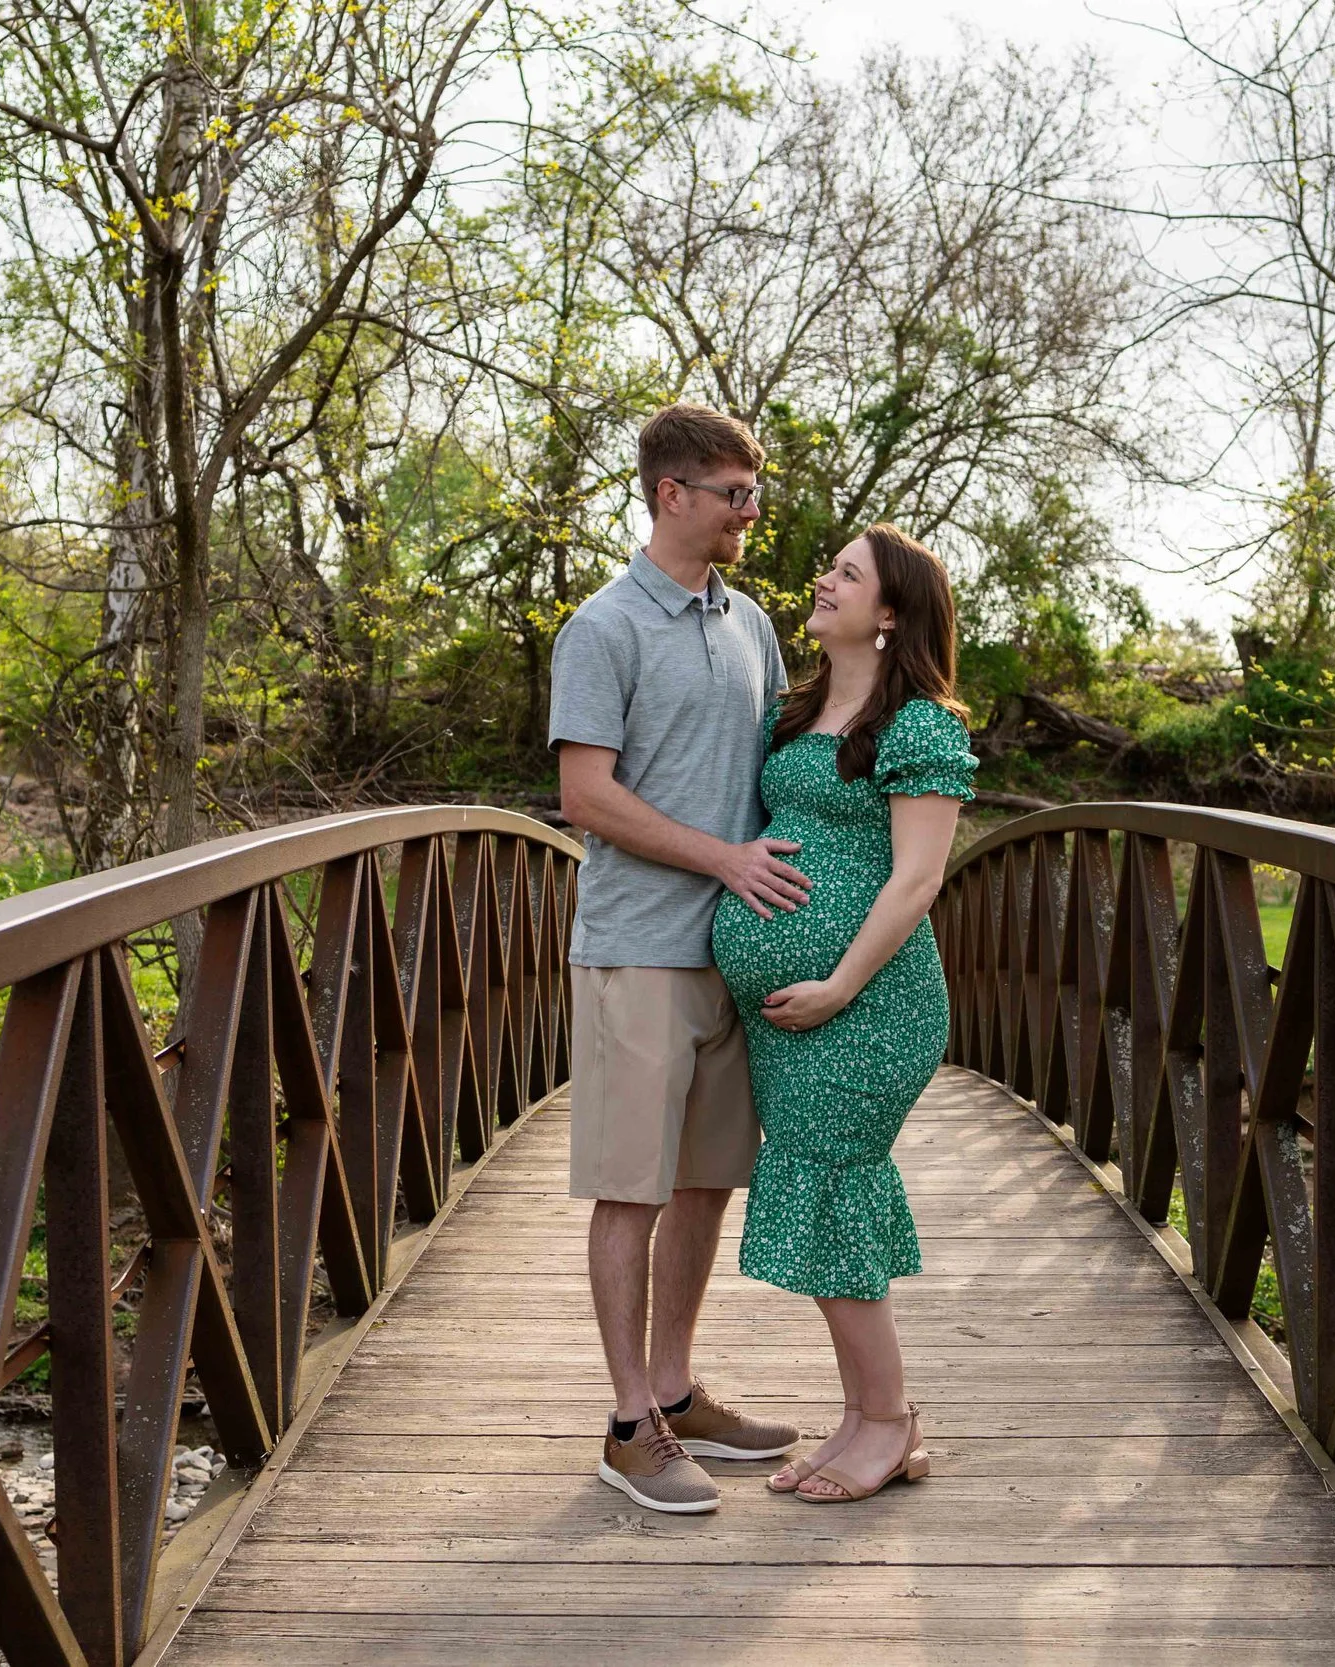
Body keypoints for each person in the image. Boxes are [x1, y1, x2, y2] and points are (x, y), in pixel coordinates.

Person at [549, 404, 809, 1514]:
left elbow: (777, 768)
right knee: (631, 1187)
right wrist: (723, 858)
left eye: (754, 492)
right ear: (670, 495)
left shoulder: (750, 622)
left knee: (705, 1182)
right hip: (637, 948)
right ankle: (624, 1424)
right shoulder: (602, 628)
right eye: (732, 493)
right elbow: (585, 795)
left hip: (732, 955)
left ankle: (675, 1388)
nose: (750, 511)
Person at [711, 524, 977, 1504]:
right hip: (792, 1016)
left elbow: (915, 880)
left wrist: (837, 983)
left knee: (828, 1188)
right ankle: (866, 1416)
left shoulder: (919, 728)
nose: (825, 580)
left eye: (847, 573)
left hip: (870, 1008)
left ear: (892, 610)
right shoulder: (800, 712)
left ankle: (890, 1417)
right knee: (827, 1197)